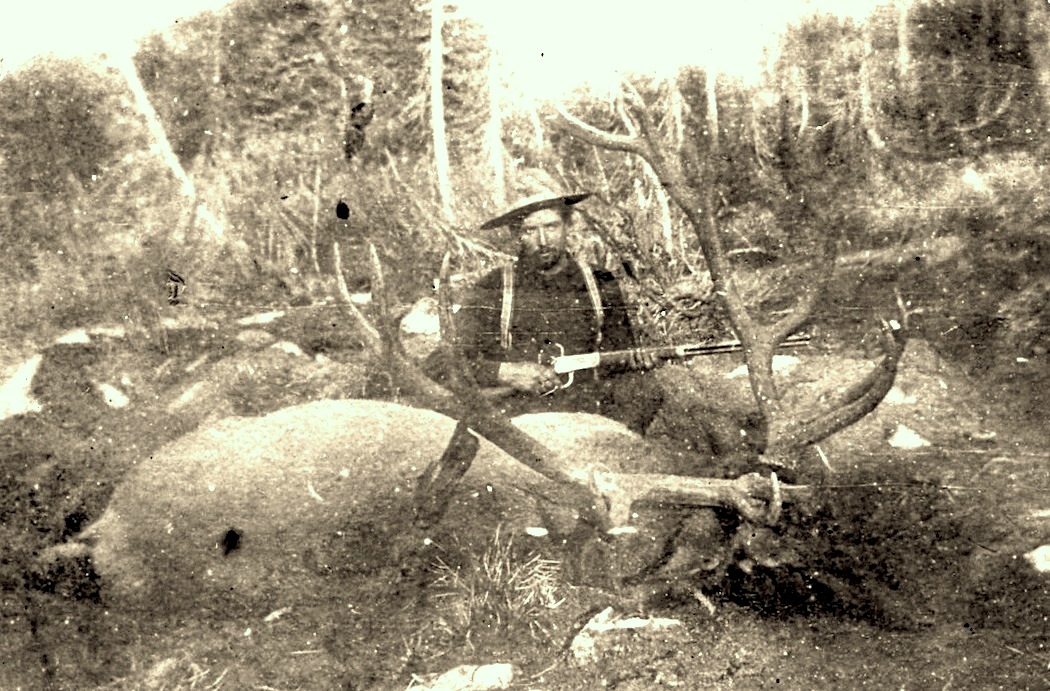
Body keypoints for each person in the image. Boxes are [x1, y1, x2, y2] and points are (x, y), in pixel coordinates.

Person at [424, 171, 664, 434]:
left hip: (590, 413)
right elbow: (440, 363)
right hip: (521, 416)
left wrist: (637, 360)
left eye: (551, 226)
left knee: (644, 389)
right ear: (517, 234)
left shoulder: (599, 281)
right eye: (530, 230)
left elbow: (617, 355)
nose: (543, 240)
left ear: (567, 225)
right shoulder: (494, 287)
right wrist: (505, 372)